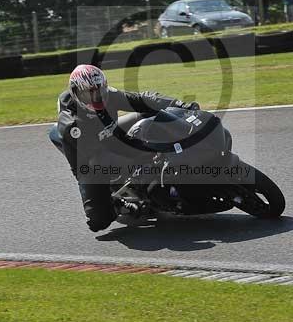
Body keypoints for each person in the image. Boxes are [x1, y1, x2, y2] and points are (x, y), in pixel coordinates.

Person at [56, 64, 199, 232]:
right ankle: (118, 202)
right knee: (99, 222)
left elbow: (143, 99)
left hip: (109, 132)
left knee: (148, 112)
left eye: (100, 90)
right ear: (76, 93)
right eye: (89, 93)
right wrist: (143, 155)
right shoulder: (71, 125)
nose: (96, 97)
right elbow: (103, 155)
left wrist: (180, 105)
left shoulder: (108, 94)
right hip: (88, 159)